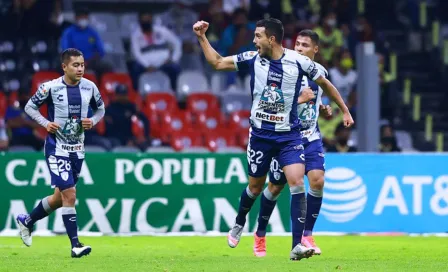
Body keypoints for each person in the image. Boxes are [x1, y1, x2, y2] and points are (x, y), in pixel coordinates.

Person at [192, 19, 353, 260]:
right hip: (260, 136)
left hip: (289, 136)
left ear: (272, 39)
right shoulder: (253, 59)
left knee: (297, 182)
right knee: (256, 187)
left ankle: (297, 244)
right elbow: (217, 62)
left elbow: (324, 83)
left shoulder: (299, 62)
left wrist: (345, 110)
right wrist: (202, 37)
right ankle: (239, 222)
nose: (254, 41)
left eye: (258, 36)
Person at [253, 30, 351, 257]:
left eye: (305, 45)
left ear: (315, 50)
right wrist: (301, 99)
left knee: (317, 181)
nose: (299, 48)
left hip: (310, 136)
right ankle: (259, 234)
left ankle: (307, 234)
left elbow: (318, 98)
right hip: (285, 136)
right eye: (297, 44)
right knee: (275, 187)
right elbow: (272, 106)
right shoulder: (284, 70)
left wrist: (325, 108)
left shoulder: (319, 73)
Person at [16, 48, 105, 258]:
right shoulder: (50, 88)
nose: (80, 69)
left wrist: (92, 121)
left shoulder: (90, 87)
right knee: (70, 194)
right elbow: (30, 107)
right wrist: (45, 123)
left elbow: (101, 109)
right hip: (57, 148)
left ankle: (26, 221)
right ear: (64, 66)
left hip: (78, 149)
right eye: (76, 65)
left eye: (82, 65)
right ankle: (75, 245)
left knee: (59, 198)